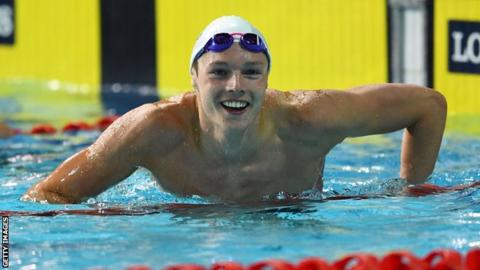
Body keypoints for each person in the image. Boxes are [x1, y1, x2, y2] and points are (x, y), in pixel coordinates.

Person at [22, 16, 447, 204]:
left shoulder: (310, 117)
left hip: (297, 226)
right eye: (220, 72)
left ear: (267, 78)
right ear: (193, 77)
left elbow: (428, 106)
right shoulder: (154, 129)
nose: (236, 87)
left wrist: (410, 193)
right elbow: (47, 195)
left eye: (251, 72)